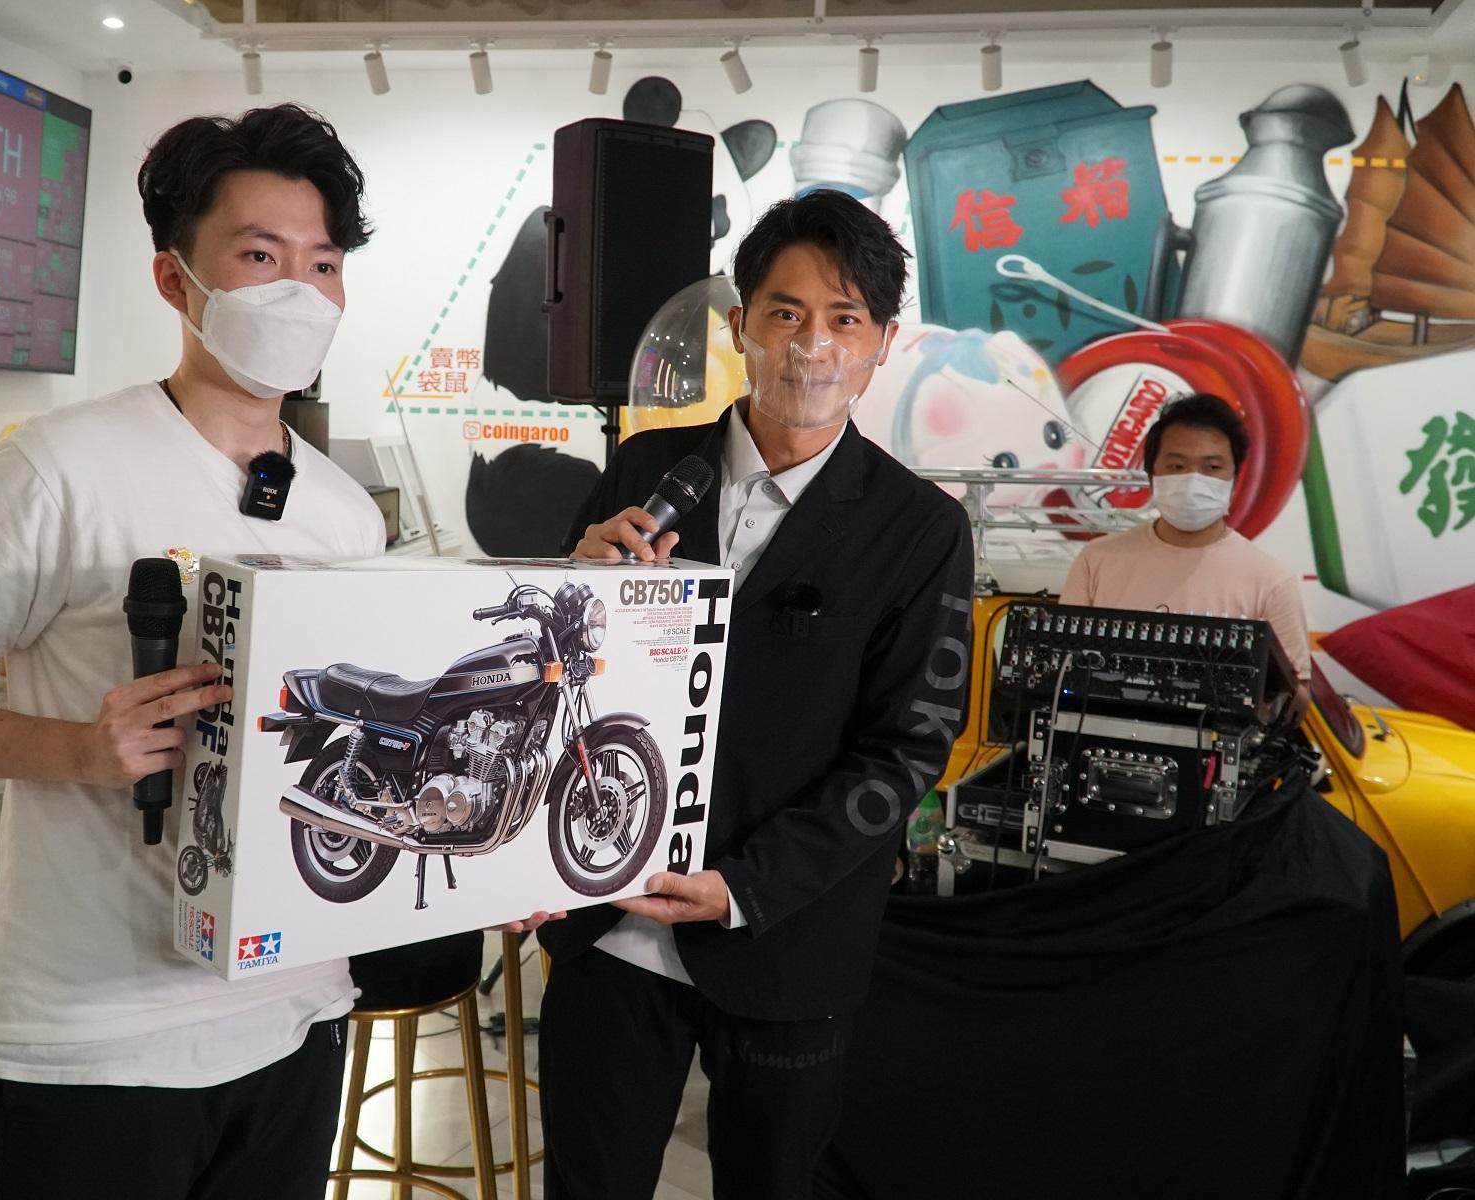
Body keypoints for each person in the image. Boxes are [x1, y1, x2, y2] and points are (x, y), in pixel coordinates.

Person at [0, 104, 393, 1199]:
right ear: (174, 280)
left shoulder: (346, 514)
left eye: (323, 264)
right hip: (97, 1039)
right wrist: (80, 750)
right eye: (260, 257)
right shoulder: (57, 468)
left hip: (296, 1015)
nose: (299, 292)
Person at [537, 190, 976, 1200]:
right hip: (609, 926)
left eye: (844, 319)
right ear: (740, 326)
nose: (811, 345)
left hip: (787, 943)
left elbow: (906, 750)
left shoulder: (918, 529)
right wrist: (573, 584)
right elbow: (550, 682)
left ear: (883, 345)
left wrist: (744, 886)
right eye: (785, 312)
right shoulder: (646, 470)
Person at [1060, 393, 1312, 702]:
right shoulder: (1097, 560)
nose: (1194, 481)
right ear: (1151, 475)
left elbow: (1296, 695)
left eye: (1212, 467)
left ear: (1234, 478)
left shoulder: (1271, 581)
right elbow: (1061, 665)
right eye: (1177, 465)